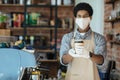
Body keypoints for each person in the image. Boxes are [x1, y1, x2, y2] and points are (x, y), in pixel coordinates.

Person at [59, 2, 107, 80]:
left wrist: (89, 54)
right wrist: (71, 54)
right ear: (75, 18)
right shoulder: (67, 37)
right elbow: (64, 61)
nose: (82, 19)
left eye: (85, 16)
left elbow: (101, 61)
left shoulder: (99, 38)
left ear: (90, 18)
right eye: (79, 16)